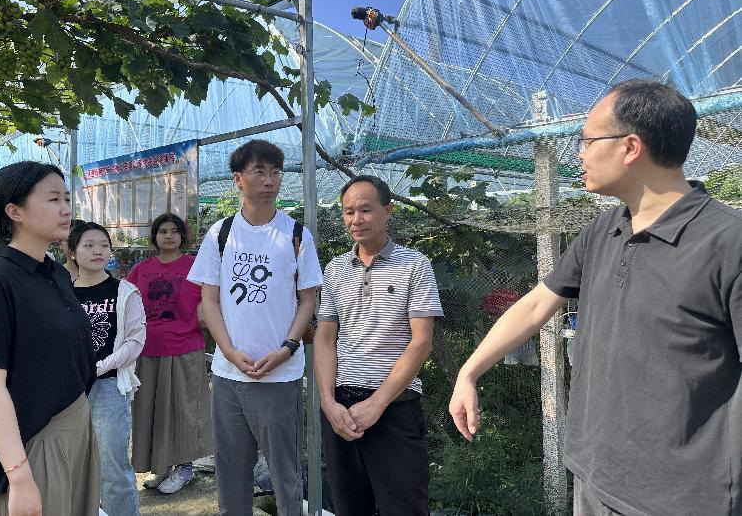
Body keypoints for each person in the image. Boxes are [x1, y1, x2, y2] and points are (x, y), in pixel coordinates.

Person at [449, 80, 742, 515]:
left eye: (587, 141)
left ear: (630, 147)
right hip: (594, 477)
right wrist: (469, 372)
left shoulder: (728, 242)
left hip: (682, 498)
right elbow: (535, 305)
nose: (579, 154)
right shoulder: (603, 230)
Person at [188, 139, 322, 515]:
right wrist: (229, 352)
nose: (269, 180)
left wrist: (287, 348)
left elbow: (308, 300)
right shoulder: (220, 233)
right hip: (229, 375)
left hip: (280, 375)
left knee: (285, 473)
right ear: (238, 179)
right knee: (231, 471)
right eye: (259, 172)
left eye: (275, 172)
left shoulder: (296, 234)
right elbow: (209, 301)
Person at [0, 161, 99, 515]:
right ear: (15, 211)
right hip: (31, 444)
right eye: (53, 199)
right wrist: (19, 476)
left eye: (66, 198)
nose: (66, 208)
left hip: (75, 426)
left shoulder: (56, 273)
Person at [315, 175, 442, 516]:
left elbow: (421, 342)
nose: (356, 219)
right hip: (341, 411)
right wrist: (327, 402)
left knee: (404, 508)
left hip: (394, 408)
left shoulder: (414, 265)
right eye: (348, 212)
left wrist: (377, 403)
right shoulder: (335, 269)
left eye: (366, 210)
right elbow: (325, 338)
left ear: (388, 211)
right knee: (348, 507)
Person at [127, 212, 212, 494]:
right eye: (163, 231)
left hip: (184, 348)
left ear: (182, 236)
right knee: (150, 410)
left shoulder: (196, 266)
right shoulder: (141, 269)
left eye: (174, 231)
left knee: (182, 409)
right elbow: (127, 305)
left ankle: (185, 467)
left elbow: (211, 301)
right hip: (147, 350)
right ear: (154, 237)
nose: (169, 235)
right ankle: (161, 466)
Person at [70, 222, 145, 516]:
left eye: (103, 245)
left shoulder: (125, 291)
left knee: (112, 468)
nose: (97, 251)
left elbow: (135, 342)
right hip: (68, 391)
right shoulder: (63, 293)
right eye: (88, 245)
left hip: (110, 387)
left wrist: (99, 367)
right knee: (72, 465)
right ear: (73, 252)